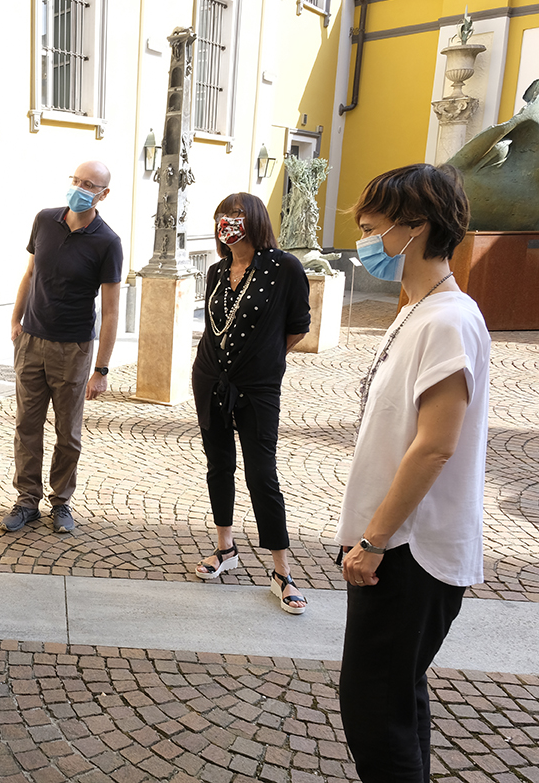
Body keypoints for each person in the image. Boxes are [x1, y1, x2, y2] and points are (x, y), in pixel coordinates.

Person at [336, 163, 489, 782]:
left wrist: (373, 542)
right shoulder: (416, 309)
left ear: (414, 227)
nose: (364, 243)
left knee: (375, 710)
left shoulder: (448, 319)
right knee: (395, 699)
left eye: (372, 229)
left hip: (408, 552)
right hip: (393, 546)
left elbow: (434, 447)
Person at [191, 193, 311, 614]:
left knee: (262, 474)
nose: (229, 221)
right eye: (222, 214)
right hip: (209, 378)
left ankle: (282, 571)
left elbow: (298, 326)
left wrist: (264, 357)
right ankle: (226, 549)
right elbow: (212, 327)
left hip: (258, 387)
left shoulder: (285, 268)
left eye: (238, 214)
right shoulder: (216, 271)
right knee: (218, 465)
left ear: (255, 219)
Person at [2, 161, 124, 534]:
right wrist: (16, 319)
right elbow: (30, 273)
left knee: (68, 432)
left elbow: (112, 309)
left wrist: (101, 369)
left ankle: (61, 503)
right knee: (26, 425)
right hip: (31, 341)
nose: (80, 187)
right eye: (76, 180)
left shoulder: (108, 242)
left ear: (103, 194)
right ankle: (27, 500)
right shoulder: (44, 220)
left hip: (73, 348)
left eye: (89, 184)